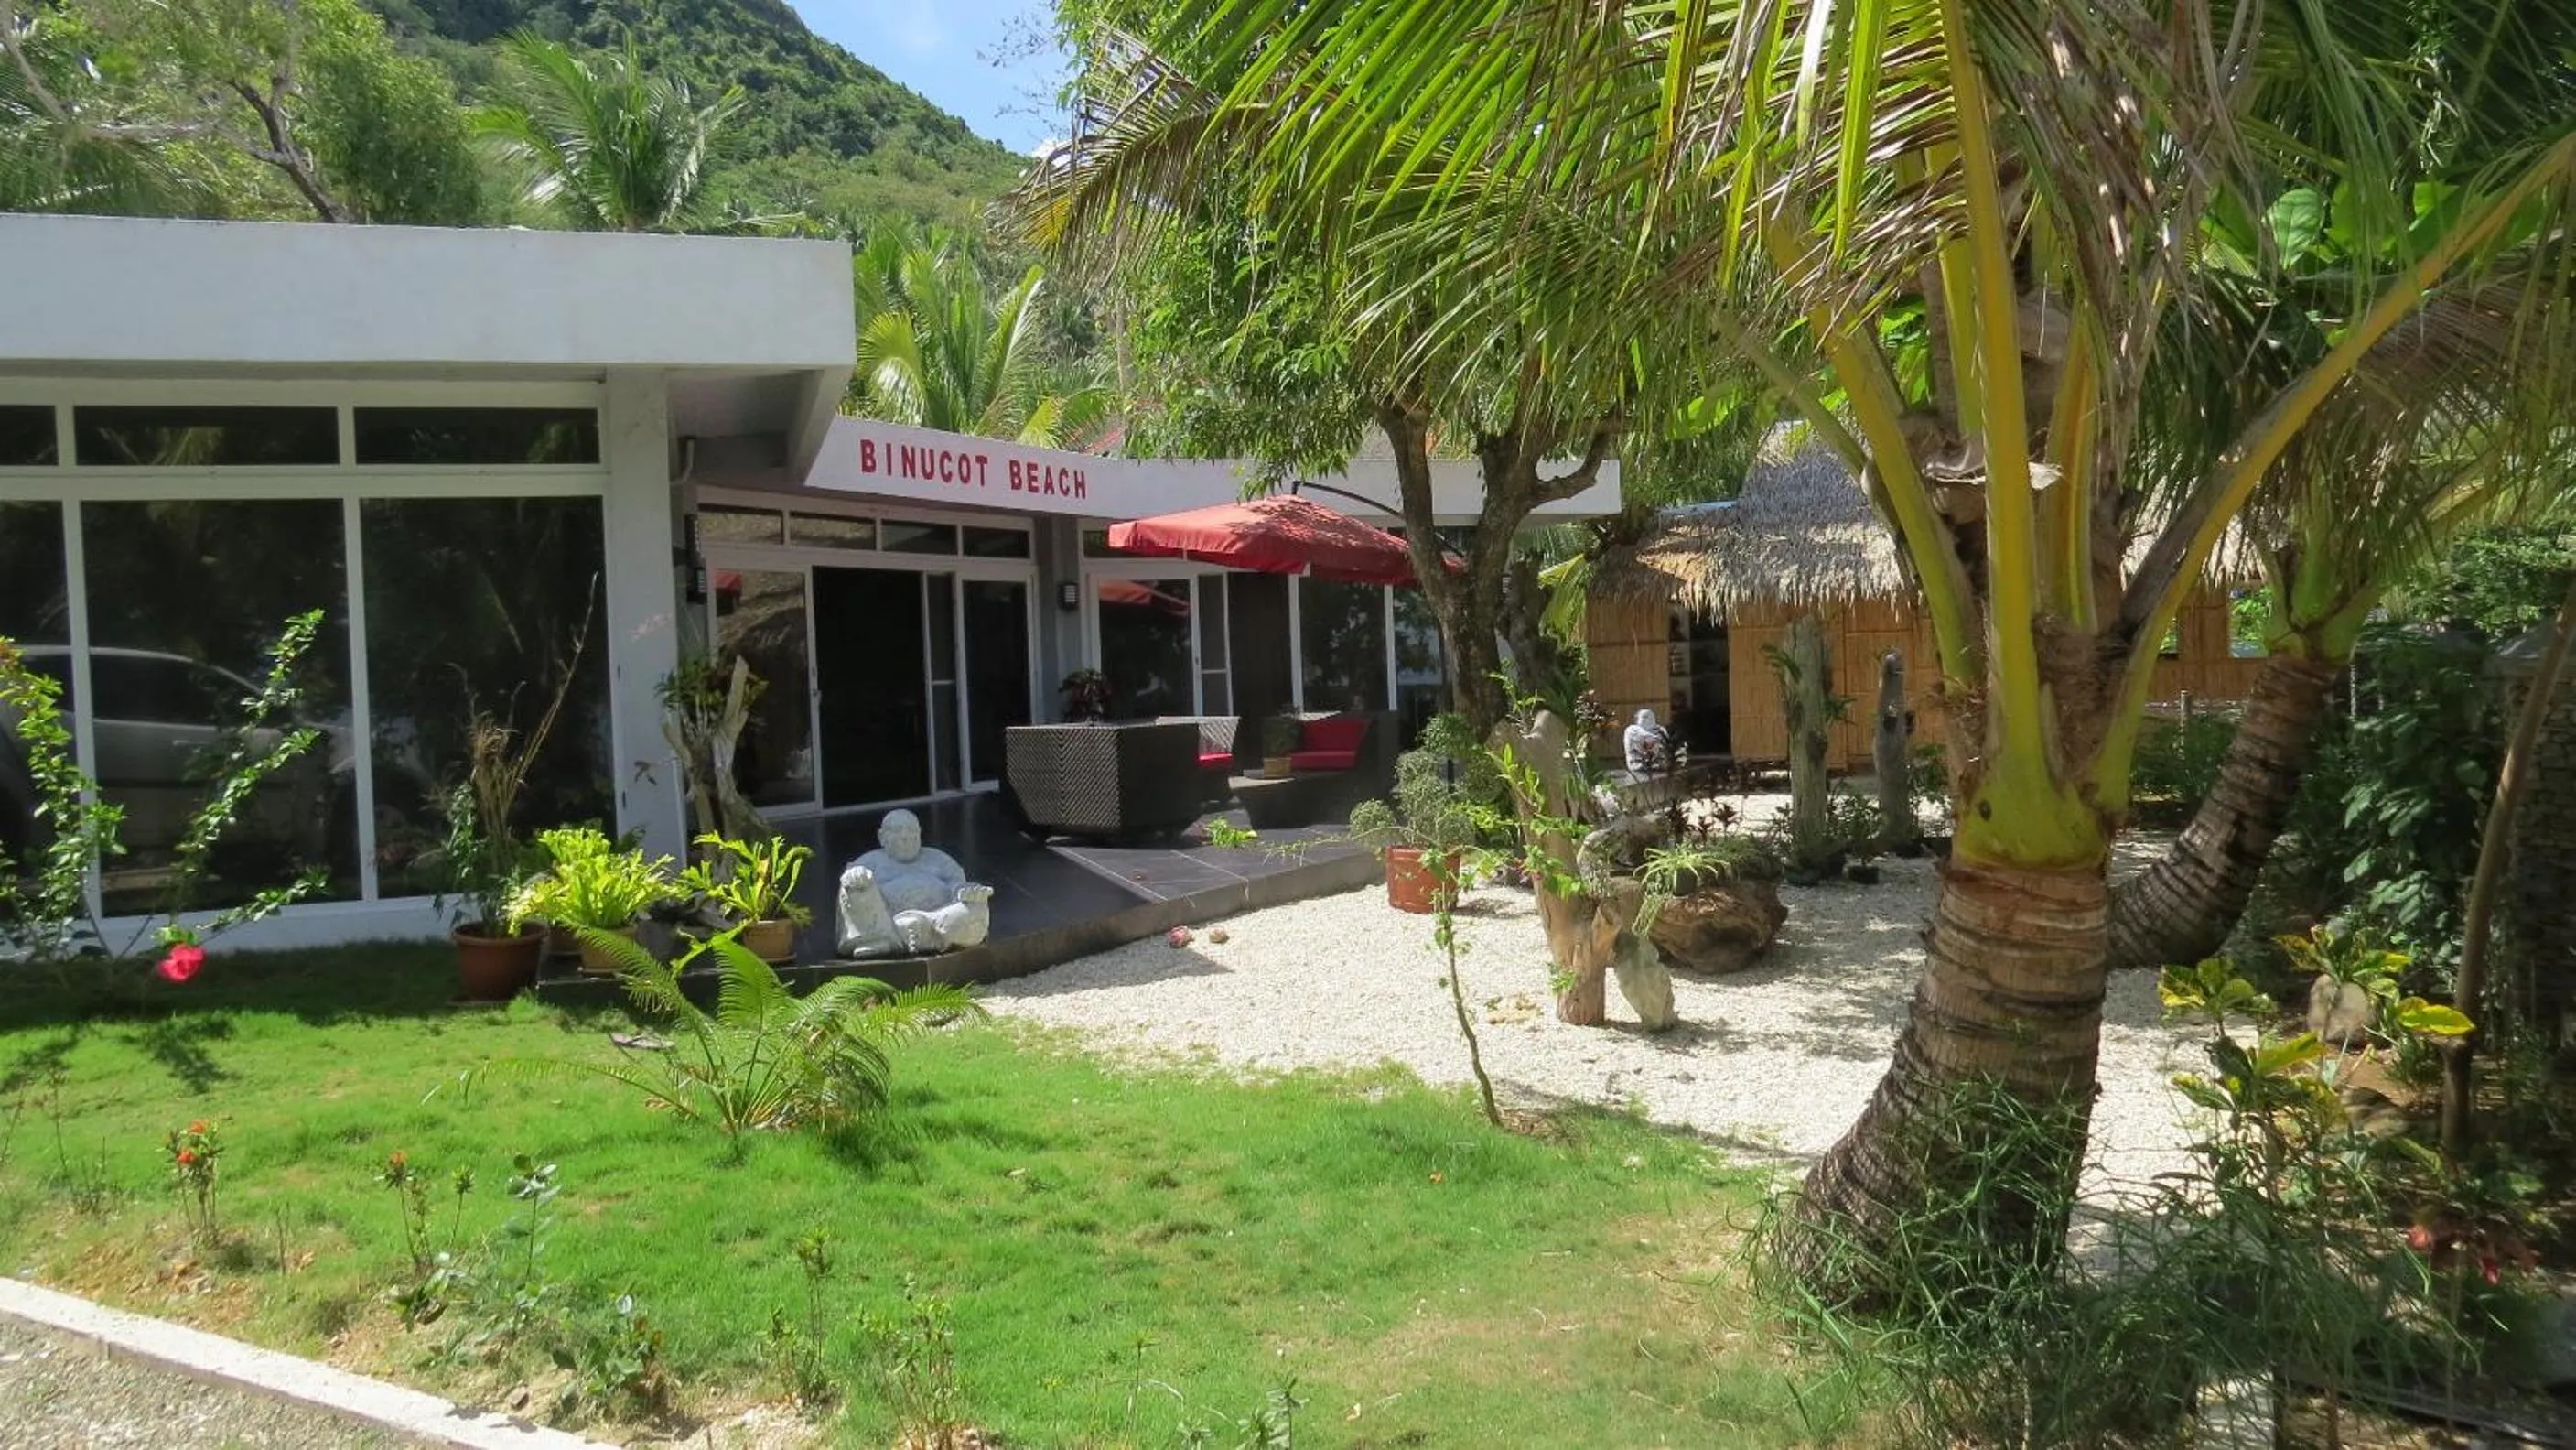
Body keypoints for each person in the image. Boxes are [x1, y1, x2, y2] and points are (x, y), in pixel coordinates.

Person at [835, 808, 993, 956]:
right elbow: (850, 883)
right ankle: (889, 937)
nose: (905, 836)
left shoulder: (939, 859)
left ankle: (905, 935)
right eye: (897, 831)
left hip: (937, 919)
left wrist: (969, 893)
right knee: (853, 887)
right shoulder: (869, 861)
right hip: (886, 921)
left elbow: (958, 886)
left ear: (919, 833)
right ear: (881, 837)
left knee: (975, 909)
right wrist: (856, 876)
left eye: (911, 830)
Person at [1622, 708, 1673, 774]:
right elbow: (1647, 738)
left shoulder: (1660, 729)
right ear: (1637, 719)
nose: (1647, 719)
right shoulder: (1632, 729)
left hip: (1659, 766)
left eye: (1650, 716)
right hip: (1638, 766)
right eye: (1644, 717)